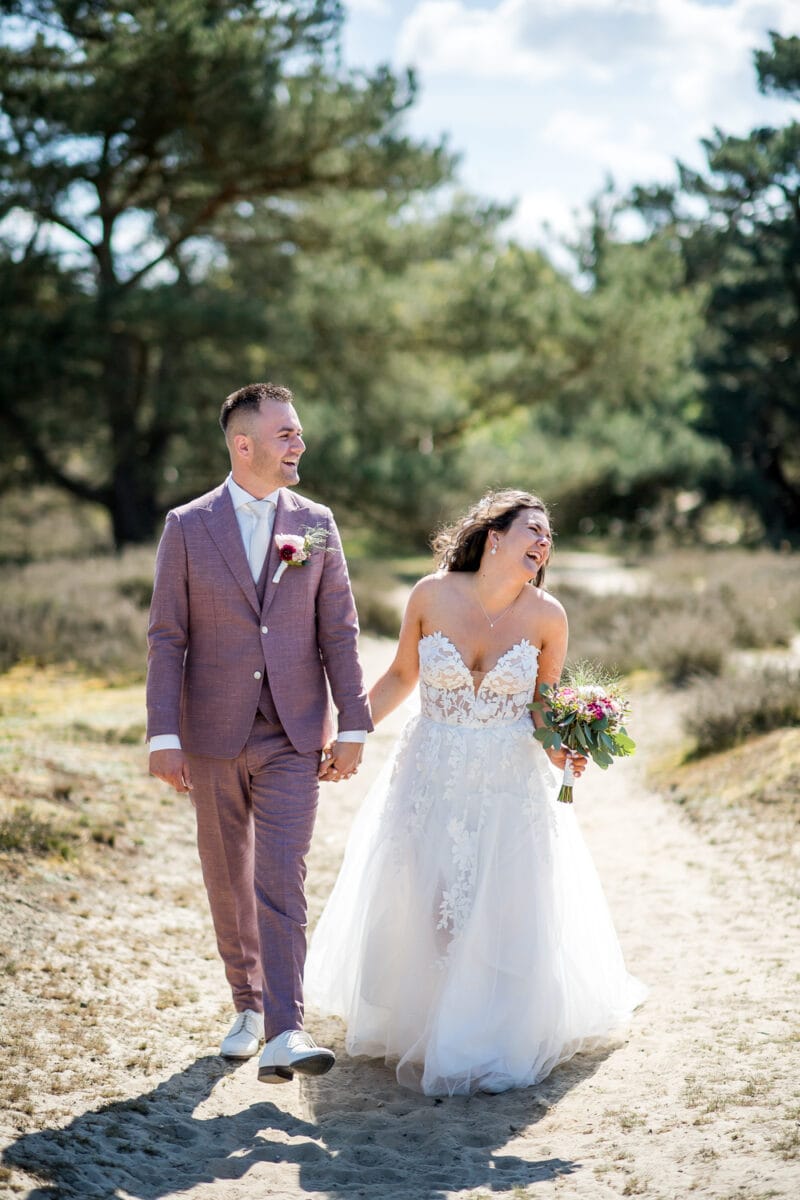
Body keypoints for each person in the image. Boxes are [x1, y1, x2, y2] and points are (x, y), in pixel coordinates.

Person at [305, 488, 646, 1096]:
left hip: (509, 780)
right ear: (495, 537)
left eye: (548, 536)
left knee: (503, 903)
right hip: (432, 771)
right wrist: (350, 732)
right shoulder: (431, 594)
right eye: (533, 530)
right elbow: (402, 675)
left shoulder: (548, 616)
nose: (543, 542)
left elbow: (541, 708)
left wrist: (564, 749)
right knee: (430, 897)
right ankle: (432, 1020)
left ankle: (485, 1031)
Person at [146, 381, 372, 1084]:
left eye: (298, 431)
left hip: (293, 733)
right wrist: (162, 736)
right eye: (286, 433)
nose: (300, 442)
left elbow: (339, 630)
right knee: (226, 877)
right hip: (211, 733)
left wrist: (355, 722)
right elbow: (167, 636)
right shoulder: (187, 526)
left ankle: (285, 1029)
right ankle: (246, 1005)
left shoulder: (316, 524)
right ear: (243, 445)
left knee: (282, 875)